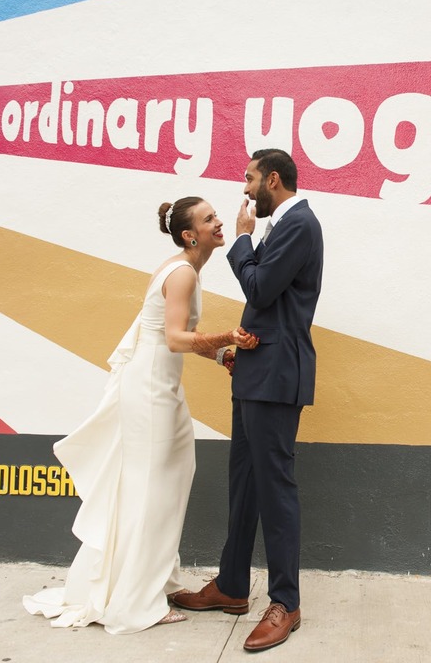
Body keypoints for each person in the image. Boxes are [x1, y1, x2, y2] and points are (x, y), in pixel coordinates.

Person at [23, 196, 257, 634]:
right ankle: (134, 603)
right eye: (209, 219)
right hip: (150, 391)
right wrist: (229, 336)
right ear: (191, 235)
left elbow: (168, 336)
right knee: (154, 489)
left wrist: (221, 354)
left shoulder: (183, 268)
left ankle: (145, 582)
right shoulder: (184, 271)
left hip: (155, 385)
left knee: (161, 481)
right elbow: (172, 338)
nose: (219, 221)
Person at [171, 149, 323, 652]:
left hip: (278, 376)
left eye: (249, 179)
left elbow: (258, 289)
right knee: (245, 481)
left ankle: (286, 602)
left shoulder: (298, 223)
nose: (244, 189)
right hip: (257, 373)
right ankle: (233, 586)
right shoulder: (280, 227)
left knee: (275, 486)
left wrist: (241, 238)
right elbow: (265, 291)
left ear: (272, 181)